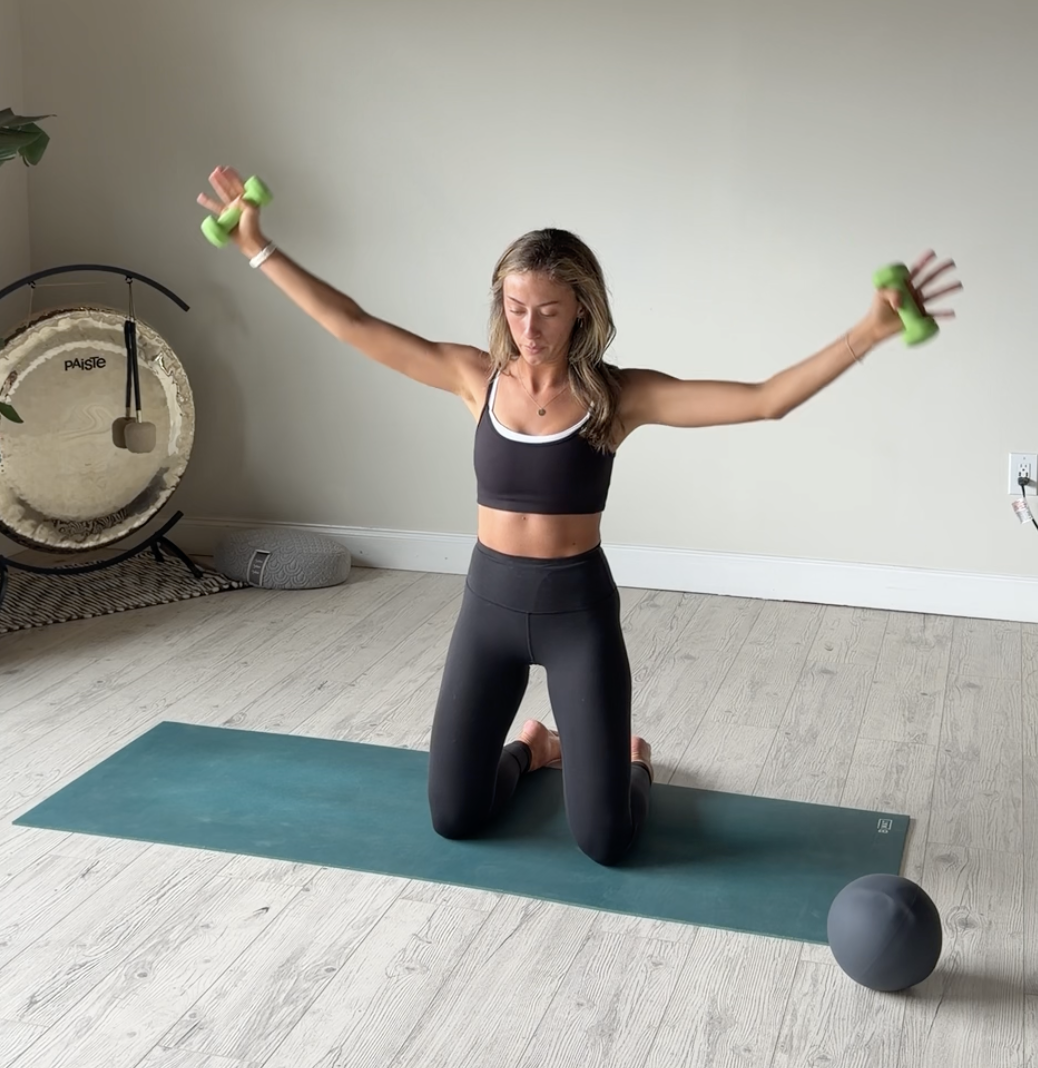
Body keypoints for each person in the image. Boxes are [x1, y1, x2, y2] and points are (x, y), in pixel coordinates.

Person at [197, 166, 962, 866]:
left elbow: (765, 400)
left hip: (577, 617)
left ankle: (633, 764)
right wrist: (257, 247)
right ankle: (534, 748)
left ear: (581, 311)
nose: (529, 329)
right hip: (488, 610)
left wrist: (871, 331)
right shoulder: (473, 378)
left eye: (548, 312)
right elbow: (352, 324)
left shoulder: (616, 398)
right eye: (515, 308)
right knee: (454, 817)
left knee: (605, 842)